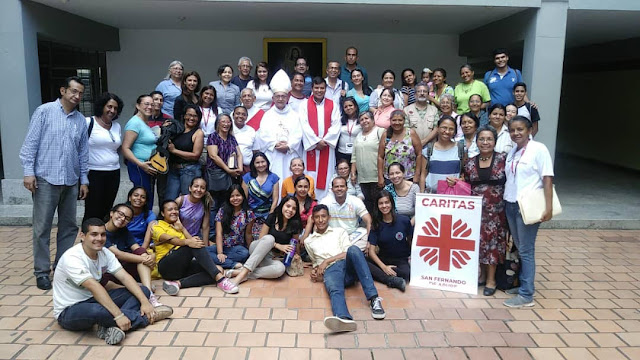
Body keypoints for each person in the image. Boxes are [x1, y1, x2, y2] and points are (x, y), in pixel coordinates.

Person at [53, 218, 173, 345]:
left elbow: (125, 277)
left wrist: (145, 302)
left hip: (95, 299)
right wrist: (118, 316)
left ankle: (111, 327)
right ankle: (144, 319)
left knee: (143, 291)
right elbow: (94, 286)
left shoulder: (105, 253)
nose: (99, 238)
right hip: (70, 310)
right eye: (94, 234)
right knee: (98, 310)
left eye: (103, 234)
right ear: (82, 236)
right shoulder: (72, 258)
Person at [20, 76, 89, 290]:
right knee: (42, 228)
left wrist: (84, 180)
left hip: (70, 181)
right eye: (74, 91)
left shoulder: (80, 120)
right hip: (45, 179)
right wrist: (28, 172)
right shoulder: (44, 111)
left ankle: (61, 268)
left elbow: (83, 153)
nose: (77, 96)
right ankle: (41, 272)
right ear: (63, 90)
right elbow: (30, 144)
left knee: (68, 227)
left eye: (80, 93)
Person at [304, 204, 385, 333]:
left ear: (329, 217)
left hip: (347, 266)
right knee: (335, 289)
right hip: (331, 270)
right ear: (313, 219)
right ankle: (343, 319)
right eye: (317, 217)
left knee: (354, 249)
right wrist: (316, 272)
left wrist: (327, 260)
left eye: (323, 216)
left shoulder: (339, 231)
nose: (320, 220)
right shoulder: (309, 241)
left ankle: (374, 299)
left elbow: (348, 252)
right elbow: (316, 262)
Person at [503, 116, 554, 308]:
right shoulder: (513, 152)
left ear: (529, 130)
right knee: (519, 246)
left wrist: (548, 207)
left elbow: (547, 178)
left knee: (526, 249)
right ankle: (524, 284)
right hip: (511, 204)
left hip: (528, 206)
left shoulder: (539, 149)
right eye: (512, 130)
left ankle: (526, 295)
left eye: (520, 129)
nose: (516, 133)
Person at [152, 200, 239, 295]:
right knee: (194, 243)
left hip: (182, 267)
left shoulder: (178, 226)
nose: (174, 211)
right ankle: (221, 280)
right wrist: (187, 242)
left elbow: (191, 240)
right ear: (162, 213)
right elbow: (172, 240)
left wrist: (182, 229)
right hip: (166, 266)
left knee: (218, 269)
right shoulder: (157, 226)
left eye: (176, 209)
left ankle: (177, 284)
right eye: (170, 209)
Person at [461, 125, 507, 296]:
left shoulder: (504, 159)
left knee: (493, 245)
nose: (485, 142)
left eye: (489, 139)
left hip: (497, 212)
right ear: (476, 141)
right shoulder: (470, 162)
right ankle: (480, 276)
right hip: (476, 211)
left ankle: (491, 280)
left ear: (495, 141)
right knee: (478, 244)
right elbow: (465, 184)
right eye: (482, 139)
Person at [225, 195, 302, 284]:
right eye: (288, 206)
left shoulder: (295, 224)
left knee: (280, 269)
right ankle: (239, 278)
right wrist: (278, 245)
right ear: (282, 205)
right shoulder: (272, 217)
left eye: (294, 208)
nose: (290, 210)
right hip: (257, 249)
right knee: (269, 238)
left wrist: (298, 258)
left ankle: (242, 273)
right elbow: (262, 238)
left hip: (272, 257)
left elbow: (294, 245)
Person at [252, 70, 304, 188]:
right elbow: (263, 135)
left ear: (287, 97)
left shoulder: (295, 115)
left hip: (289, 154)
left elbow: (298, 134)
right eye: (278, 96)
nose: (280, 99)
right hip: (274, 154)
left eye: (283, 96)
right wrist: (275, 144)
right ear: (273, 98)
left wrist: (289, 145)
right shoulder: (267, 115)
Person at [103, 204, 162, 307]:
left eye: (127, 218)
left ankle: (148, 293)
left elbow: (136, 248)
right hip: (107, 271)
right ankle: (138, 288)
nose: (122, 219)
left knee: (141, 252)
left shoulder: (124, 230)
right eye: (120, 214)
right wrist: (144, 258)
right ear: (111, 213)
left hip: (122, 269)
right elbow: (118, 254)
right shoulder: (101, 232)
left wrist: (149, 256)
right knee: (104, 283)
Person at [83, 92, 124, 223]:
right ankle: (87, 240)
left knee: (107, 209)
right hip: (94, 173)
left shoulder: (116, 126)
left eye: (115, 108)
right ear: (102, 106)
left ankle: (103, 239)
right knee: (93, 210)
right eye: (109, 106)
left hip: (113, 172)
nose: (112, 110)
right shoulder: (88, 122)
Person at [299, 77, 342, 200]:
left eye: (322, 88)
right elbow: (304, 124)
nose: (319, 90)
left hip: (327, 148)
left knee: (327, 175)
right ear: (312, 88)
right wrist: (316, 142)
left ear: (325, 89)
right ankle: (310, 202)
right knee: (310, 174)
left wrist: (325, 141)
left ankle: (325, 202)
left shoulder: (332, 104)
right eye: (316, 88)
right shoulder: (304, 104)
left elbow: (336, 124)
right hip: (311, 148)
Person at [367, 191, 411, 291]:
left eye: (387, 202)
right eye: (381, 203)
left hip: (400, 260)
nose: (384, 206)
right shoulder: (376, 224)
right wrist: (384, 267)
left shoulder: (404, 220)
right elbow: (371, 252)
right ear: (377, 206)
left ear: (392, 203)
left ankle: (387, 276)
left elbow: (411, 241)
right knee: (362, 261)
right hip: (383, 258)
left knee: (406, 273)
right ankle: (390, 280)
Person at [122, 94, 159, 206]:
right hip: (139, 166)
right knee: (141, 198)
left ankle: (147, 221)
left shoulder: (144, 123)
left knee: (147, 197)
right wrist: (140, 164)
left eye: (152, 105)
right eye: (146, 104)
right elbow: (125, 148)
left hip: (148, 166)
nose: (150, 107)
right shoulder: (134, 122)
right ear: (138, 106)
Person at [320, 177, 371, 252]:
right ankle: (348, 253)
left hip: (352, 237)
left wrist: (369, 242)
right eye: (336, 186)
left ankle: (340, 253)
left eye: (342, 186)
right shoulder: (325, 202)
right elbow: (317, 222)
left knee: (368, 236)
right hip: (333, 237)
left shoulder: (355, 201)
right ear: (332, 189)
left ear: (347, 188)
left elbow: (368, 220)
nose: (339, 188)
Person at [166, 104, 204, 201]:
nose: (191, 118)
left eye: (195, 116)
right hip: (173, 169)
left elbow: (195, 155)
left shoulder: (198, 133)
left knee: (188, 201)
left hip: (189, 170)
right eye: (189, 115)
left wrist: (174, 151)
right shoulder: (177, 128)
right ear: (184, 116)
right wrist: (164, 129)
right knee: (170, 200)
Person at [210, 185, 253, 269]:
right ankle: (233, 264)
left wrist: (250, 251)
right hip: (221, 246)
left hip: (237, 249)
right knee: (203, 252)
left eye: (238, 195)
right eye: (232, 196)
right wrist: (220, 252)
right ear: (228, 198)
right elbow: (219, 233)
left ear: (243, 196)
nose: (235, 198)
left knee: (245, 254)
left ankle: (218, 261)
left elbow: (248, 234)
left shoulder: (248, 213)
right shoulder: (222, 211)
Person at [206, 113, 242, 213]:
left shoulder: (232, 138)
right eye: (223, 121)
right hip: (216, 175)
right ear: (218, 123)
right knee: (213, 205)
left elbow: (239, 154)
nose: (226, 124)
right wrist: (228, 170)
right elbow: (213, 156)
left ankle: (223, 228)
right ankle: (212, 228)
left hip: (230, 176)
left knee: (226, 204)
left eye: (228, 121)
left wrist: (240, 168)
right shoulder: (213, 137)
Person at [351, 111, 385, 213]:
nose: (364, 121)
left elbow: (384, 154)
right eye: (361, 120)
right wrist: (353, 173)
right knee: (368, 205)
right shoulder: (358, 136)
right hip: (363, 178)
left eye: (366, 118)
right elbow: (354, 156)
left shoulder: (380, 131)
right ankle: (371, 226)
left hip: (377, 176)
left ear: (373, 120)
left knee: (379, 204)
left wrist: (381, 176)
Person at [419, 116, 464, 193]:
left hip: (454, 196)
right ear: (438, 128)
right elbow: (423, 175)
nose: (447, 131)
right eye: (444, 127)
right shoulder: (428, 150)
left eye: (451, 129)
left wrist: (458, 181)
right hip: (431, 196)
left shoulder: (460, 149)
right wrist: (421, 194)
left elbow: (463, 174)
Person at [377, 110, 422, 187]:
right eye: (394, 120)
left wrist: (417, 175)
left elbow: (419, 155)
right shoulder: (386, 135)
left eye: (400, 120)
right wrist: (380, 177)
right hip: (390, 178)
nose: (397, 123)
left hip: (408, 177)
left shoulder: (411, 133)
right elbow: (380, 157)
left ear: (404, 121)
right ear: (390, 121)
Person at [243, 152, 280, 239]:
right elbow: (244, 198)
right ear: (253, 164)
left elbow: (275, 199)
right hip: (251, 214)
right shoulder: (247, 177)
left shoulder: (274, 177)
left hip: (267, 214)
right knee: (250, 237)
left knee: (265, 238)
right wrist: (248, 214)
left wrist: (271, 215)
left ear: (267, 162)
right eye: (257, 162)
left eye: (263, 162)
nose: (260, 165)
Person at [176, 177, 213, 245]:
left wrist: (205, 246)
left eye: (202, 188)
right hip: (179, 237)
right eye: (196, 186)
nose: (198, 190)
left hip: (196, 237)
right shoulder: (180, 201)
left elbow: (205, 227)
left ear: (205, 191)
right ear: (190, 188)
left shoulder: (205, 204)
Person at [404, 82, 439, 147]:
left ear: (428, 95)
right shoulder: (406, 110)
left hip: (431, 146)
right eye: (419, 91)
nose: (422, 93)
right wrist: (417, 143)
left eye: (425, 91)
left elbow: (436, 129)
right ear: (415, 94)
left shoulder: (434, 110)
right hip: (412, 146)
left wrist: (424, 141)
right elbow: (406, 130)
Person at [198, 85, 222, 166]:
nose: (208, 96)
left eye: (211, 95)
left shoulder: (218, 110)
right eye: (206, 93)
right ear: (201, 94)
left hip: (214, 143)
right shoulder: (196, 108)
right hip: (199, 143)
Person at [336, 97, 362, 163]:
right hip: (342, 152)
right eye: (345, 107)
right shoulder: (340, 120)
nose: (348, 108)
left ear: (355, 107)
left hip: (357, 152)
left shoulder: (361, 120)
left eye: (350, 105)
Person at [232, 105, 255, 174]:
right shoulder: (228, 129)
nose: (240, 116)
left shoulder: (251, 130)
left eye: (243, 114)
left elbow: (255, 150)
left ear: (246, 117)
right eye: (238, 113)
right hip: (230, 168)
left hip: (247, 168)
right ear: (233, 115)